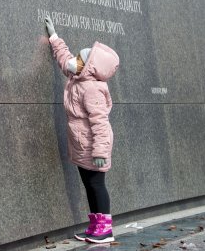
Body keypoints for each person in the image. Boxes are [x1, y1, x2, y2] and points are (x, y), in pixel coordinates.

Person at [44, 16, 120, 244]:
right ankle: (96, 227)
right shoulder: (78, 77)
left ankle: (105, 229)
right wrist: (54, 37)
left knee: (97, 185)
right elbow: (65, 59)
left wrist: (100, 152)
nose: (75, 59)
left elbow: (100, 124)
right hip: (83, 146)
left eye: (80, 58)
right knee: (89, 185)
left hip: (93, 148)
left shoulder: (92, 89)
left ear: (89, 66)